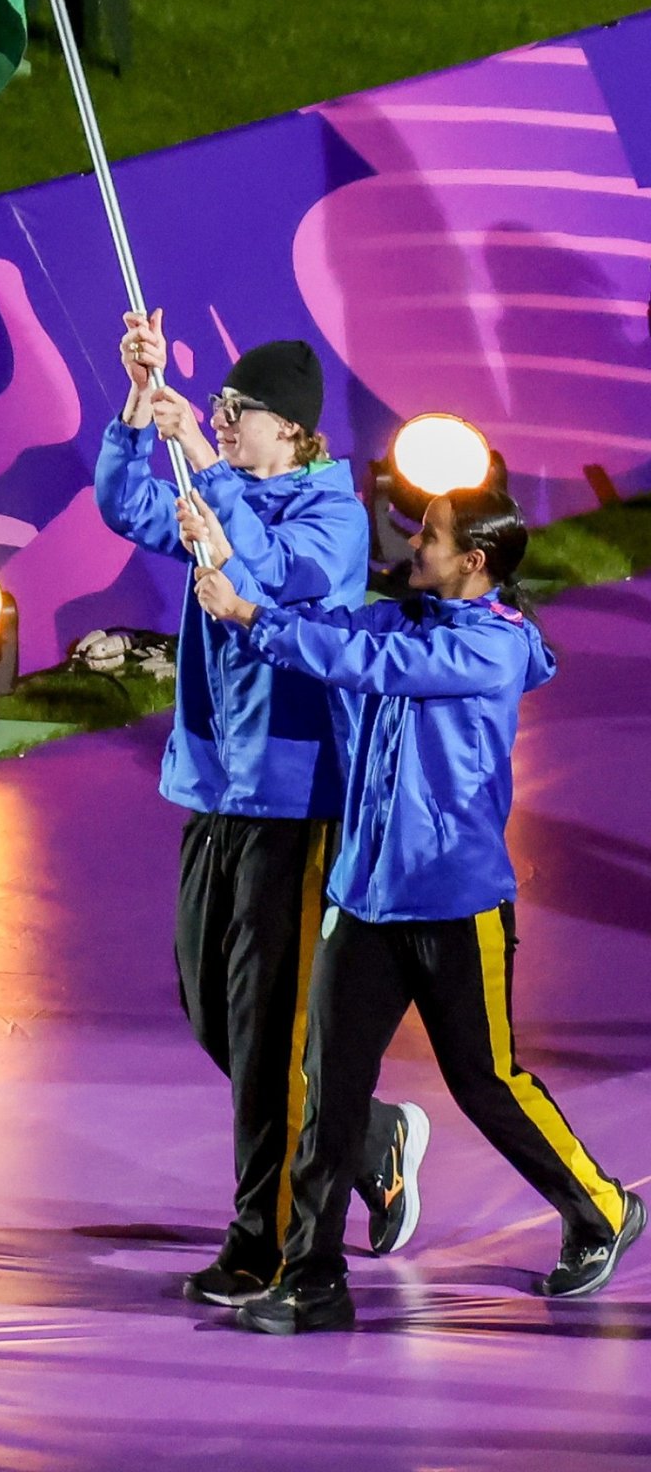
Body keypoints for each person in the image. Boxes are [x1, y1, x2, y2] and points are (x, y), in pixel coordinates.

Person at [191, 484, 645, 1333]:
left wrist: (248, 615)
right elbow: (322, 630)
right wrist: (226, 554)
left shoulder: (492, 649)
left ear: (474, 561)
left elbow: (370, 668)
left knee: (485, 1081)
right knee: (329, 1092)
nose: (413, 542)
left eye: (429, 536)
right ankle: (314, 1280)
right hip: (362, 901)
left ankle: (603, 1210)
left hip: (455, 909)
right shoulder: (404, 618)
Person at [94, 317, 426, 1305]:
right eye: (221, 411)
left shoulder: (332, 514)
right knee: (214, 1006)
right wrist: (134, 403)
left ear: (293, 433)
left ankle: (269, 1245)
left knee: (271, 1023)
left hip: (295, 798)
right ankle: (367, 1133)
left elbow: (280, 577)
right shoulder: (216, 493)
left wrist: (202, 464)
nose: (221, 422)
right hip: (213, 786)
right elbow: (122, 502)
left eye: (239, 415)